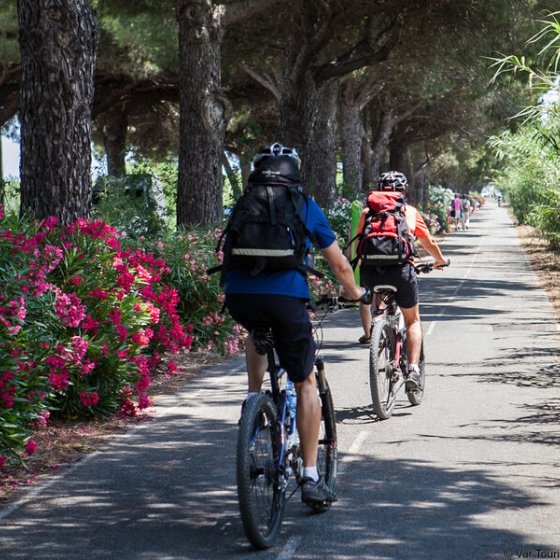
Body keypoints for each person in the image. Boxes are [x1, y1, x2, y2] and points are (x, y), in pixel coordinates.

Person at [224, 143, 366, 508]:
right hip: (286, 299)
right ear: (294, 174)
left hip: (240, 297)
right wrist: (354, 294)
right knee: (305, 381)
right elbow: (340, 266)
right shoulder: (304, 205)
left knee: (257, 330)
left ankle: (254, 398)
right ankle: (310, 476)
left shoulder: (244, 204)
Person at [353, 171, 448, 391]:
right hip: (401, 273)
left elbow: (357, 244)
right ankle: (413, 369)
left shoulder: (368, 212)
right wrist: (440, 260)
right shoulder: (409, 211)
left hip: (371, 273)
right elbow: (429, 241)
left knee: (380, 300)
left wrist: (355, 273)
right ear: (402, 191)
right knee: (413, 320)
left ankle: (378, 330)